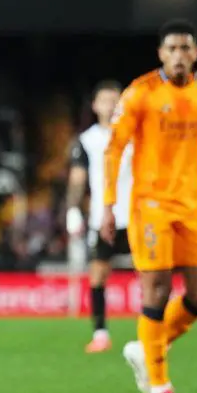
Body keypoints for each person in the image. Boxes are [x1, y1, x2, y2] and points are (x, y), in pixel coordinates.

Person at [102, 19, 197, 393]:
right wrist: (109, 202)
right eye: (172, 49)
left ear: (196, 52)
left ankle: (148, 345)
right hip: (150, 206)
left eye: (185, 49)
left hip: (192, 206)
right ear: (160, 53)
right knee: (158, 290)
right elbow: (114, 147)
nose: (179, 56)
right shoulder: (141, 92)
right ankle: (160, 385)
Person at [66, 81, 133, 353]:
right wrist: (72, 209)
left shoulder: (135, 135)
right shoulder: (86, 140)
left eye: (115, 99)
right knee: (97, 276)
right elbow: (78, 178)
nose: (110, 104)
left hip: (136, 216)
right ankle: (101, 333)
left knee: (152, 278)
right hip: (101, 218)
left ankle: (155, 333)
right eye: (104, 100)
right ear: (95, 106)